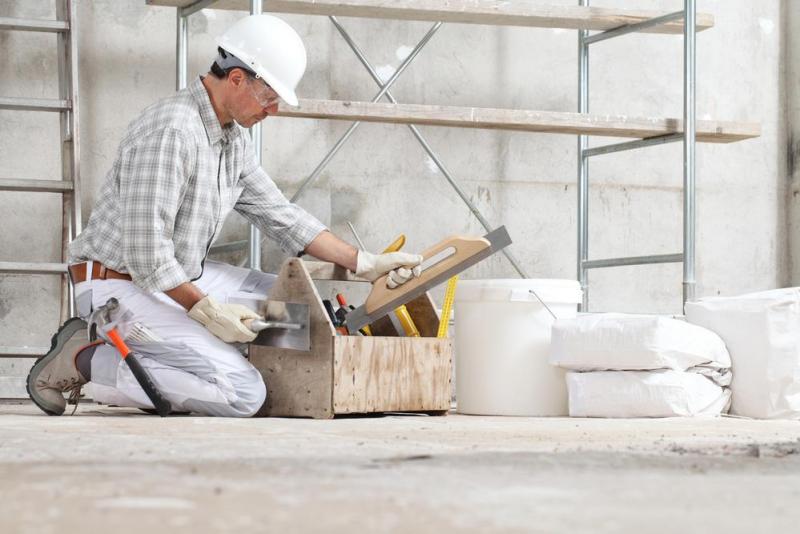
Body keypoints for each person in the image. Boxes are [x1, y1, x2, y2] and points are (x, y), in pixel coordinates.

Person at [26, 14, 422, 417]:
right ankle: (88, 358)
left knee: (297, 315)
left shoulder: (233, 140)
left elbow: (280, 214)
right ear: (236, 79)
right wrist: (208, 312)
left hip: (178, 278)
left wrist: (364, 262)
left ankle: (188, 358)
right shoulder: (172, 131)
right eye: (269, 98)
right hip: (120, 289)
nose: (274, 111)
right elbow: (147, 256)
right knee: (241, 394)